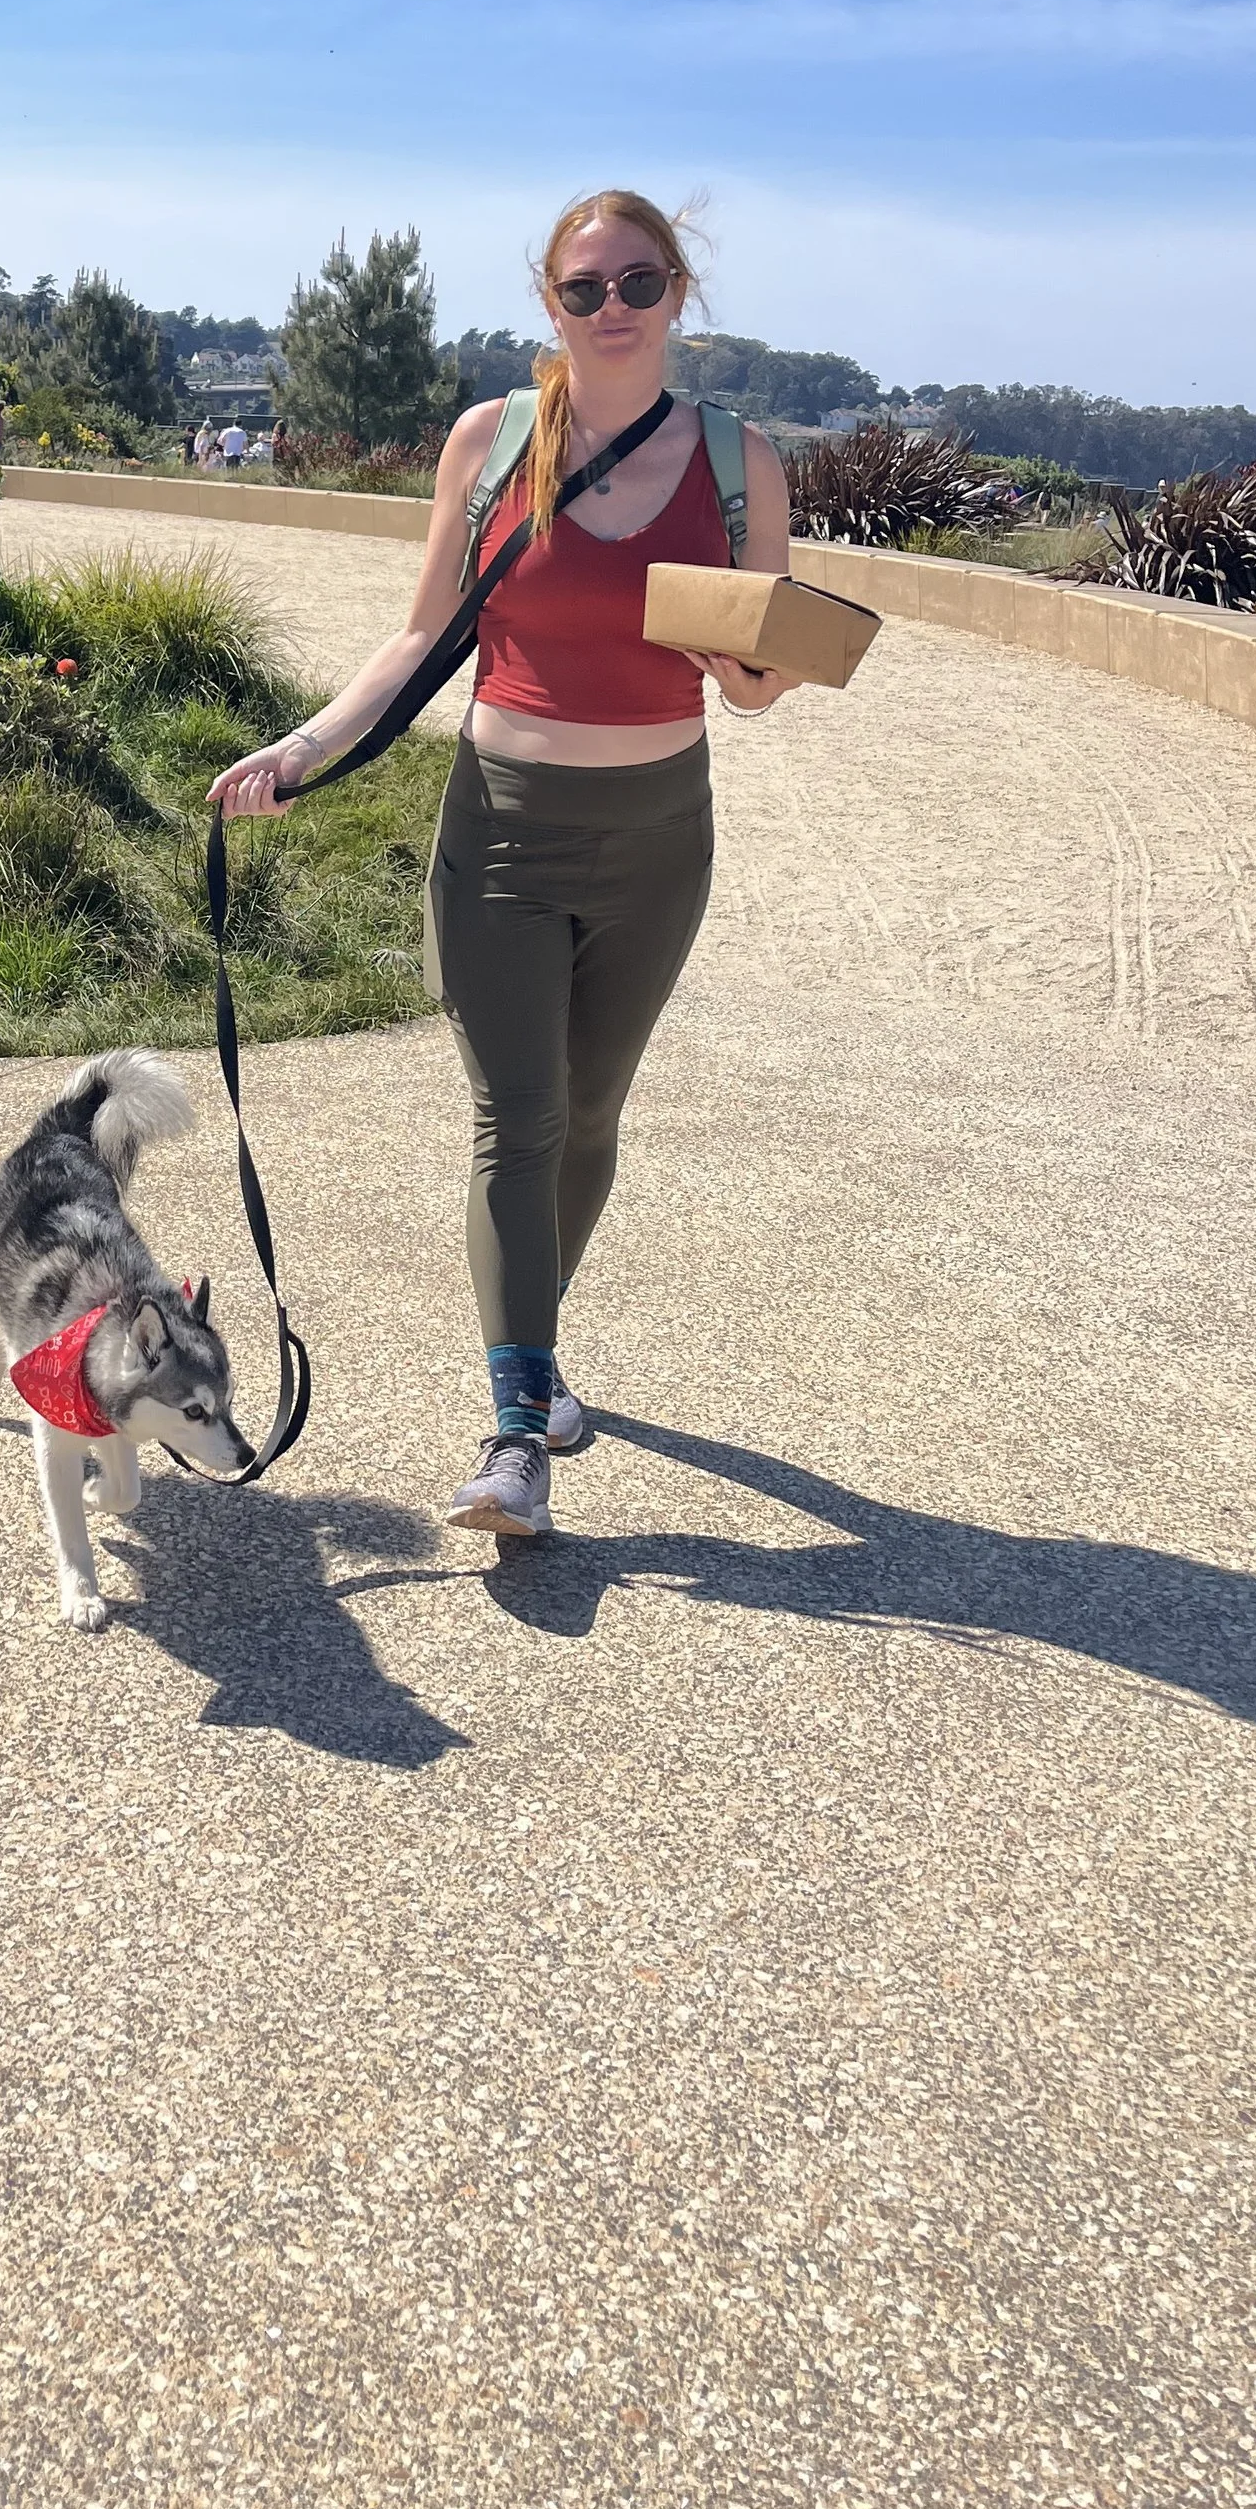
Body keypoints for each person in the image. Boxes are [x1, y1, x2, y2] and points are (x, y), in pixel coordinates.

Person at [207, 189, 794, 1539]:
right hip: (502, 834)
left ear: (677, 296)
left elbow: (763, 682)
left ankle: (532, 1344)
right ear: (550, 303)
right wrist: (301, 751)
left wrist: (745, 669)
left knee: (590, 1120)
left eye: (638, 285)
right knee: (517, 1119)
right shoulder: (490, 446)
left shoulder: (736, 463)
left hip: (659, 840)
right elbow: (421, 639)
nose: (612, 311)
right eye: (584, 290)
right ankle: (516, 1427)